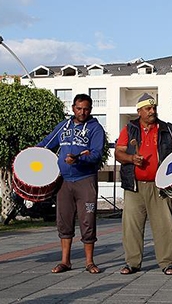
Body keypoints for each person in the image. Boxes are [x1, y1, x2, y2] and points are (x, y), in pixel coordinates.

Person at [115, 93, 172, 276]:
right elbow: (118, 153)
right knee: (131, 226)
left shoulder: (167, 128)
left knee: (164, 226)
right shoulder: (129, 128)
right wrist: (131, 159)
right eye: (148, 108)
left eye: (154, 107)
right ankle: (132, 263)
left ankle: (167, 263)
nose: (152, 111)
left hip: (160, 186)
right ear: (139, 111)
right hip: (134, 185)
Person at [37, 93, 106, 274]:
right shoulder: (63, 126)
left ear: (90, 110)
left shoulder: (96, 129)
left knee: (87, 220)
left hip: (85, 180)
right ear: (73, 108)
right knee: (64, 221)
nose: (82, 112)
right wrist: (30, 154)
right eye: (78, 108)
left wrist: (78, 160)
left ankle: (89, 262)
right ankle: (65, 261)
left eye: (86, 109)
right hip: (64, 182)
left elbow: (96, 154)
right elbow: (47, 144)